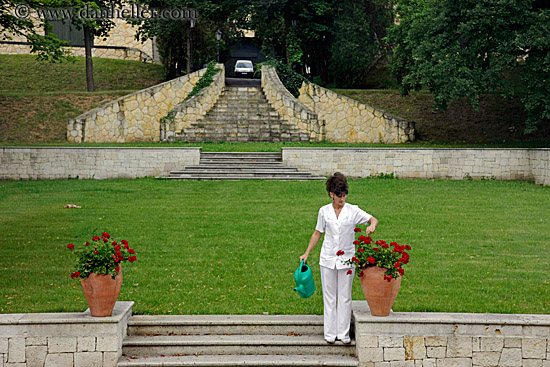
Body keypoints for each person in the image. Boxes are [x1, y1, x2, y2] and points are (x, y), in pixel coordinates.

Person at [300, 172, 378, 344]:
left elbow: (373, 219)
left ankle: (343, 334)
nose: (343, 199)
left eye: (344, 195)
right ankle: (329, 333)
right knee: (329, 296)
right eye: (339, 196)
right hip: (327, 258)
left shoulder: (353, 210)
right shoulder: (324, 211)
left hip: (348, 258)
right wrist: (307, 253)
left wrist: (371, 226)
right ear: (331, 195)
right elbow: (317, 233)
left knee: (344, 296)